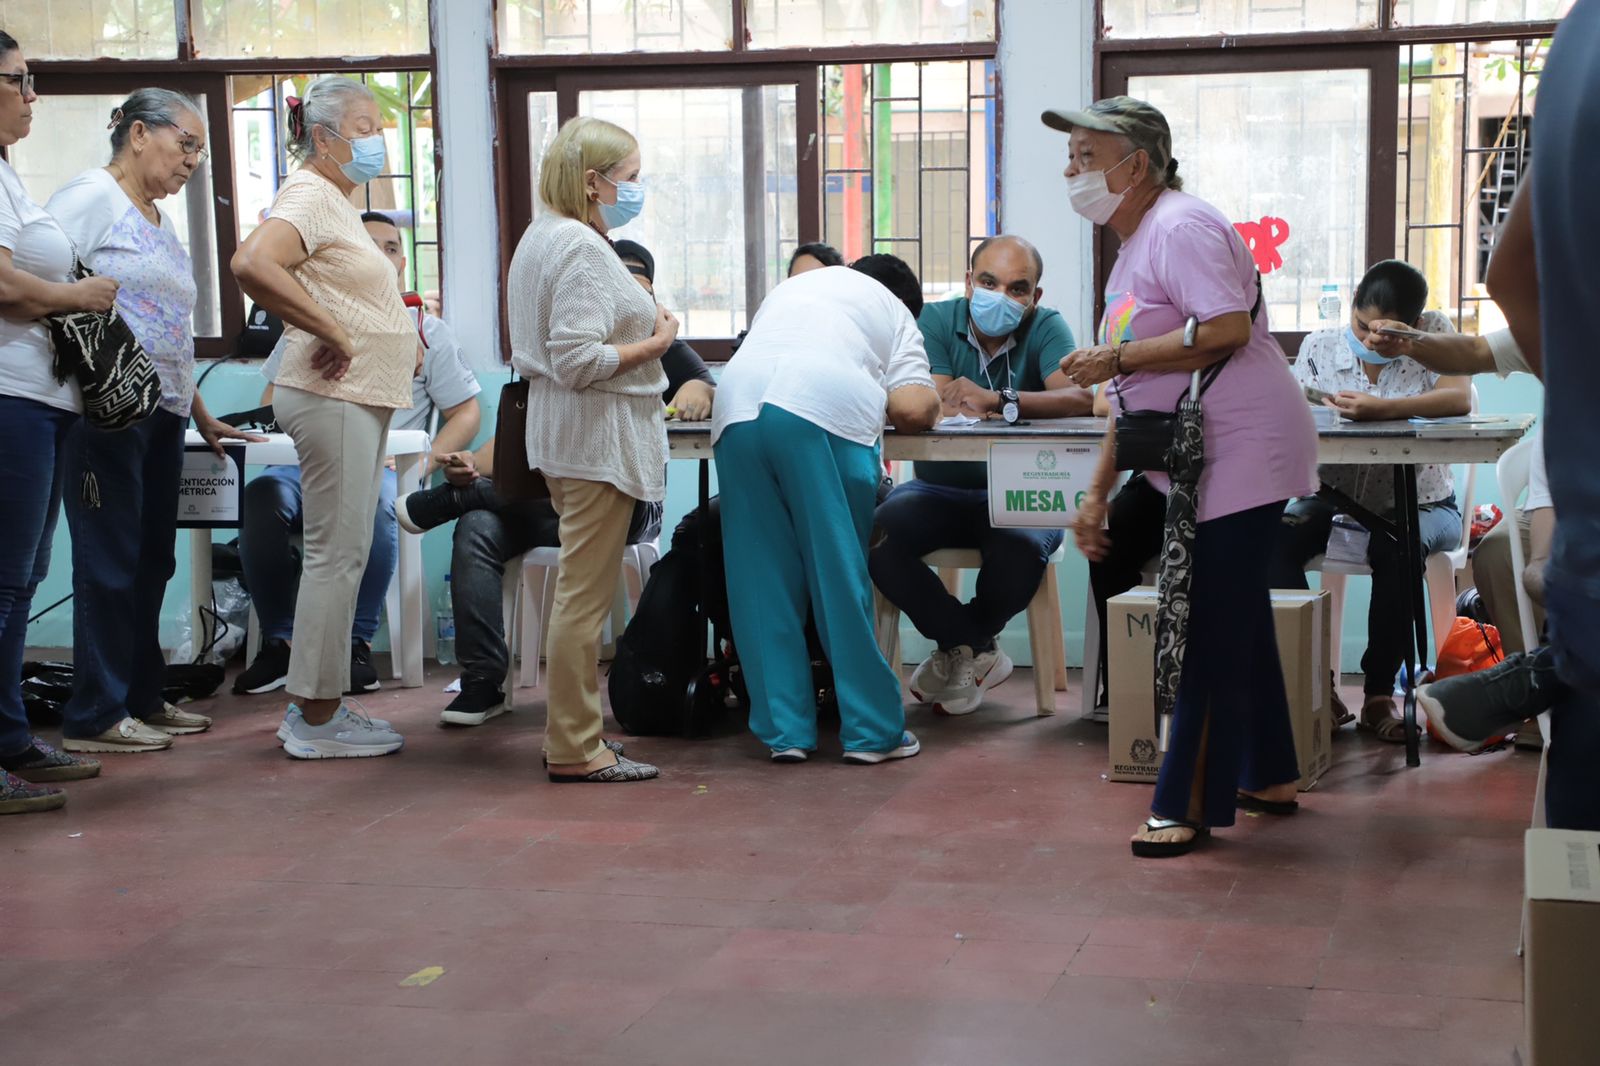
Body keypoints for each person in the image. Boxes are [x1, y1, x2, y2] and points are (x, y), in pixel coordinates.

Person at [1052, 96, 1317, 857]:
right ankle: (1269, 774)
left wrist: (1121, 357)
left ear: (1137, 163)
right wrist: (1098, 492)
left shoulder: (1181, 224)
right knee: (1233, 614)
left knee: (1205, 622)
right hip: (1191, 457)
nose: (1072, 171)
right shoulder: (1135, 245)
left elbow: (1226, 328)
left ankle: (1187, 801)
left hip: (1241, 449)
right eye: (1070, 155)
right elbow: (1128, 396)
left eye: (1085, 155)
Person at [395, 237, 715, 728]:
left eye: (638, 283)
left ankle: (451, 500)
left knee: (503, 502)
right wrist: (469, 464)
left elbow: (701, 383)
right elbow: (513, 441)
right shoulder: (569, 345)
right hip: (543, 503)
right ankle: (484, 679)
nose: (626, 292)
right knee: (478, 527)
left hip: (625, 505)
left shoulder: (656, 339)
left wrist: (693, 394)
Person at [1427, 0, 1600, 830]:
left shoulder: (1576, 40)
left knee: (1578, 887)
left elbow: (1509, 271)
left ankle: (1534, 673)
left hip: (1586, 542)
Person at [46, 90, 259, 755]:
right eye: (186, 143)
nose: (194, 159)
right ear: (139, 134)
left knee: (152, 563)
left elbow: (170, 332)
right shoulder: (89, 198)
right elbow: (42, 284)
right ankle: (95, 715)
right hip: (104, 413)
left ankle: (141, 696)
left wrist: (202, 413)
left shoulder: (158, 220)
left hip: (162, 413)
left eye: (200, 150)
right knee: (109, 562)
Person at [230, 76, 420, 759]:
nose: (377, 141)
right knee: (334, 555)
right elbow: (252, 263)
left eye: (378, 127)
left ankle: (320, 705)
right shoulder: (309, 193)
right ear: (324, 136)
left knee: (345, 552)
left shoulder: (335, 202)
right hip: (332, 395)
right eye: (364, 128)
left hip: (357, 398)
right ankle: (315, 716)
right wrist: (335, 332)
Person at [232, 210, 481, 697]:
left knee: (380, 503)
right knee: (261, 496)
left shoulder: (425, 331)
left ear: (403, 265)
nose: (382, 257)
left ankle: (353, 644)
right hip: (305, 464)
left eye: (391, 248)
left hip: (381, 468)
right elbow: (271, 404)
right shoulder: (307, 320)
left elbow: (466, 413)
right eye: (370, 247)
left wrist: (424, 463)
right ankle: (281, 642)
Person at [505, 115, 680, 783]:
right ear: (592, 181)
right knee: (582, 598)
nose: (636, 190)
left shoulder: (543, 236)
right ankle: (577, 746)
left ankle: (575, 740)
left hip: (569, 434)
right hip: (592, 439)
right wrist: (656, 343)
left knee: (578, 593)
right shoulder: (577, 246)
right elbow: (577, 358)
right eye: (629, 179)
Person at [714, 255, 940, 763]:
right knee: (838, 576)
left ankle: (785, 732)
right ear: (908, 302)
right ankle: (872, 732)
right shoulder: (896, 312)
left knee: (760, 579)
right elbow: (911, 408)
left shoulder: (794, 288)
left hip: (735, 408)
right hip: (820, 410)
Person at [869, 235, 1091, 714]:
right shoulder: (936, 319)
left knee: (1023, 546)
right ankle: (974, 646)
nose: (1001, 297)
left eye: (1017, 288)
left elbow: (1078, 398)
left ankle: (957, 647)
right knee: (878, 534)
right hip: (936, 488)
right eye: (989, 282)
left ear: (1035, 298)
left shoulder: (1047, 327)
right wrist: (1025, 404)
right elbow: (940, 397)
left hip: (1022, 490)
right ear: (969, 282)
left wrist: (1001, 400)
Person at [1267, 260, 1471, 740]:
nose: (1372, 339)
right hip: (1333, 498)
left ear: (1415, 324)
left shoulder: (1433, 339)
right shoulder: (1321, 346)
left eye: (1386, 331)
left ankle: (1380, 694)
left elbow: (1458, 399)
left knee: (1396, 545)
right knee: (1274, 541)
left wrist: (1385, 409)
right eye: (1363, 325)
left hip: (1425, 504)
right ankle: (1315, 683)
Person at [0, 32, 125, 812]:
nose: (32, 94)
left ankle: (10, 737)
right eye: (18, 78)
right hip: (8, 398)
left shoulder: (8, 175)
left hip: (39, 400)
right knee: (1, 583)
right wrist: (77, 298)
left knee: (19, 582)